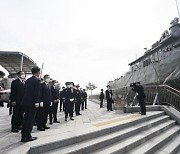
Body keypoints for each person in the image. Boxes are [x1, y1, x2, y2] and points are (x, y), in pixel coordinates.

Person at [21, 67, 41, 142]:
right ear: (37, 72)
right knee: (30, 119)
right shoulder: (37, 81)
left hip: (26, 102)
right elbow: (37, 92)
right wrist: (37, 102)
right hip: (32, 103)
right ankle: (28, 136)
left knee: (26, 118)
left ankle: (23, 135)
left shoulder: (28, 80)